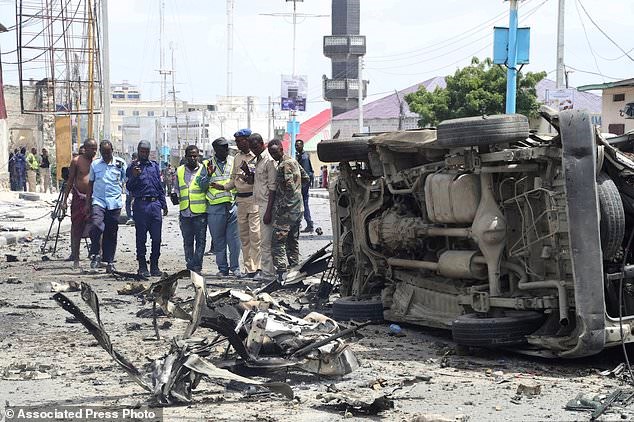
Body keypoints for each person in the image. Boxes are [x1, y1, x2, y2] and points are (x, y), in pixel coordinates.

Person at [214, 128, 260, 278]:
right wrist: (224, 187)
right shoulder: (237, 158)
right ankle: (249, 269)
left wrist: (250, 178)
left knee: (255, 236)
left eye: (239, 141)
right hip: (240, 200)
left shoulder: (256, 156)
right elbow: (234, 180)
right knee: (244, 237)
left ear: (247, 140)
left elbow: (260, 180)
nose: (237, 144)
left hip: (253, 200)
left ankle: (258, 268)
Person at [268, 139, 310, 281]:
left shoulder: (284, 165)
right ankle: (294, 271)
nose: (273, 155)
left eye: (275, 152)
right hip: (298, 209)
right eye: (271, 153)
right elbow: (306, 178)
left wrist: (284, 205)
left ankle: (281, 273)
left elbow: (289, 188)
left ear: (281, 149)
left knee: (277, 242)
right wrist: (299, 194)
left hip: (287, 211)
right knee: (292, 241)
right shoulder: (293, 161)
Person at [126, 141, 168, 277]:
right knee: (141, 238)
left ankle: (154, 265)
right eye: (141, 151)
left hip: (155, 205)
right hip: (141, 205)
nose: (144, 154)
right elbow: (129, 187)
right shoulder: (132, 167)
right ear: (138, 151)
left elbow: (159, 186)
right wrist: (134, 176)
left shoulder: (154, 166)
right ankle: (142, 266)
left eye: (146, 151)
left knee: (156, 238)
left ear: (149, 152)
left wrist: (164, 203)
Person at [202, 137, 241, 277]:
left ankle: (235, 268)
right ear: (215, 150)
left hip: (232, 206)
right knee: (219, 241)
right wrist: (208, 175)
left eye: (227, 148)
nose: (226, 150)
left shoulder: (234, 161)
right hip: (215, 208)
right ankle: (223, 269)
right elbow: (201, 186)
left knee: (235, 241)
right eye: (222, 148)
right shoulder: (207, 164)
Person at [86, 140, 126, 272]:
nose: (106, 155)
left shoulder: (120, 164)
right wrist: (87, 203)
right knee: (96, 225)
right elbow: (90, 184)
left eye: (108, 152)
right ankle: (95, 251)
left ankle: (109, 261)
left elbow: (125, 180)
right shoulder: (95, 164)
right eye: (103, 153)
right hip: (99, 201)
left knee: (111, 232)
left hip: (114, 202)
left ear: (112, 151)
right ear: (100, 152)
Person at [61, 139, 98, 268]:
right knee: (77, 228)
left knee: (97, 228)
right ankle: (76, 258)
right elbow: (70, 181)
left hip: (95, 199)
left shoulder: (98, 163)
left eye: (95, 148)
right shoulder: (76, 161)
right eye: (91, 148)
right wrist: (64, 201)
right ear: (85, 148)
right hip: (79, 198)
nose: (94, 151)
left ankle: (97, 256)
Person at [247, 133, 278, 282]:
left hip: (267, 205)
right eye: (251, 148)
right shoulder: (259, 159)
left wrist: (268, 211)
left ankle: (268, 274)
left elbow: (272, 187)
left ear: (261, 144)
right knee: (263, 241)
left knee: (266, 243)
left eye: (255, 147)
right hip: (260, 204)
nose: (253, 150)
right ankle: (268, 272)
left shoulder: (268, 160)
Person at [173, 145, 207, 274]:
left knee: (200, 241)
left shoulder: (204, 169)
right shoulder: (180, 170)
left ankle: (197, 266)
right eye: (190, 156)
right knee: (187, 241)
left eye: (195, 155)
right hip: (185, 212)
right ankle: (189, 264)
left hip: (200, 212)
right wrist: (174, 194)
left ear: (198, 156)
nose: (193, 158)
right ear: (186, 157)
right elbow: (176, 187)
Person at [295, 139, 314, 233]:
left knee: (303, 204)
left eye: (298, 145)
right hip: (302, 184)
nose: (296, 147)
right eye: (296, 145)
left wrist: (302, 187)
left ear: (302, 146)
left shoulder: (304, 157)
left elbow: (305, 174)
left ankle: (309, 223)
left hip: (303, 185)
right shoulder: (300, 156)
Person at [125, 152, 138, 225]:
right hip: (136, 188)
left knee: (128, 203)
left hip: (130, 187)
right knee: (133, 202)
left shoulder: (130, 166)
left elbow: (126, 177)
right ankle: (134, 217)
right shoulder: (140, 165)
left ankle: (130, 217)